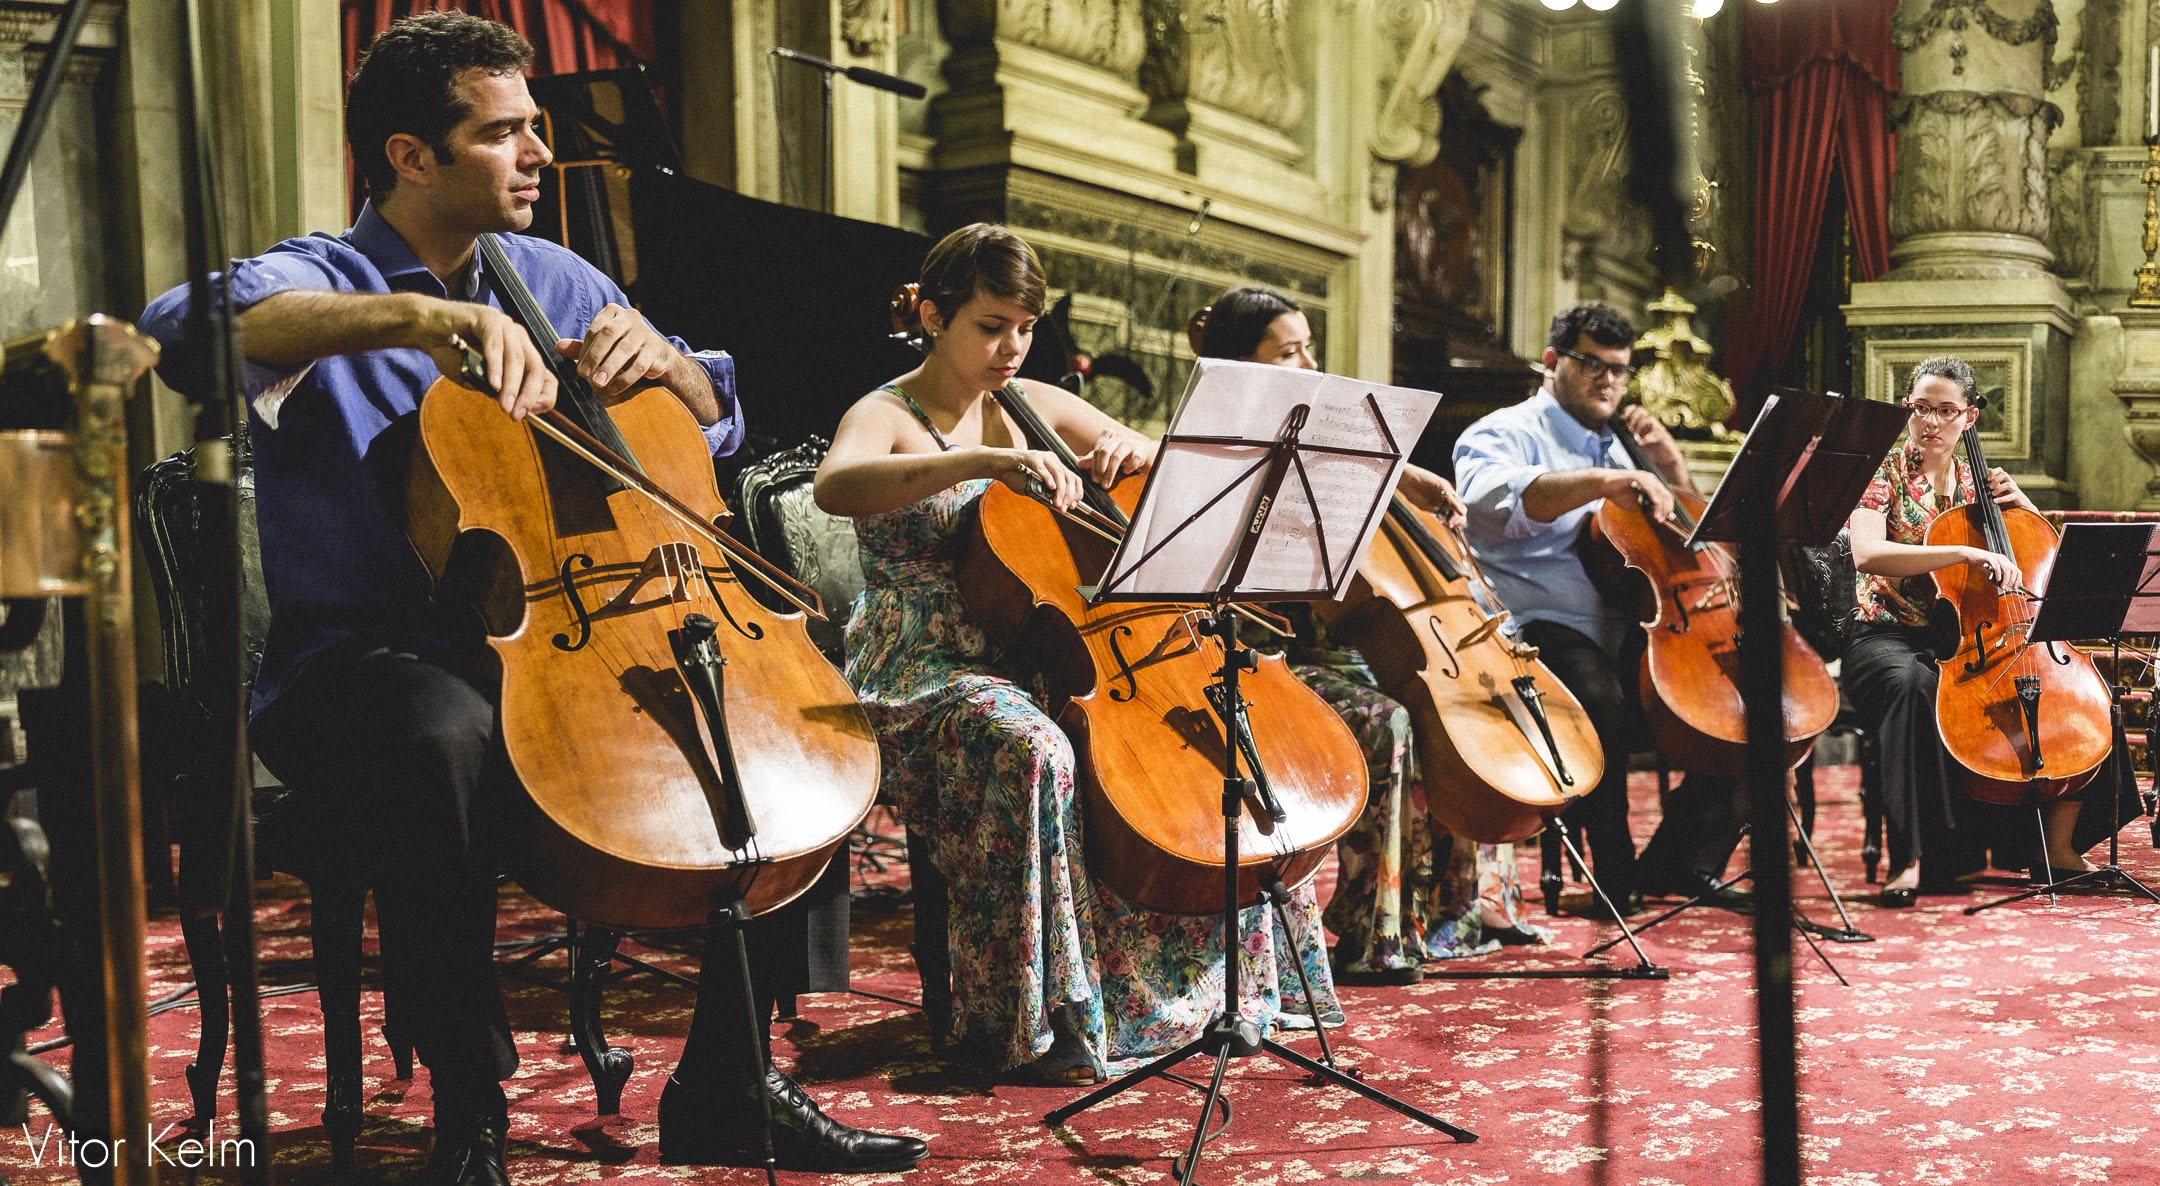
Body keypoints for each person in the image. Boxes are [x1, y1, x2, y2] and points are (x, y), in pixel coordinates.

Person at [138, 14, 925, 1183]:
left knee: (766, 714)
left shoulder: (558, 272)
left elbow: (715, 412)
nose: (537, 155)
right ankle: (470, 1109)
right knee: (439, 728)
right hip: (364, 656)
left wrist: (664, 364)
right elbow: (182, 325)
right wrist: (426, 317)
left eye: (535, 130)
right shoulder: (327, 276)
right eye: (503, 133)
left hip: (578, 625)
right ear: (410, 155)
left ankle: (728, 1084)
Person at [813, 228, 1341, 1083]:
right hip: (921, 666)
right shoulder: (888, 412)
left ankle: (1199, 998)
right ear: (933, 316)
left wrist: (1132, 451)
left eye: (1024, 327)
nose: (1010, 348)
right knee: (1034, 750)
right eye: (990, 326)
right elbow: (836, 485)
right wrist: (982, 460)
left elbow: (1158, 466)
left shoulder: (1037, 401)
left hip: (1042, 651)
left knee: (1175, 750)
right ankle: (1030, 1022)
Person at [1193, 286, 1550, 983]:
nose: (1310, 360)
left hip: (1340, 651)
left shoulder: (1322, 446)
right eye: (1290, 350)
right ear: (1248, 366)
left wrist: (1409, 479)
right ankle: (1372, 928)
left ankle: (1453, 913)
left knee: (1458, 713)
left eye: (1307, 345)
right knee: (1387, 721)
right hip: (1262, 658)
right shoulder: (1220, 455)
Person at [1452, 302, 1750, 915]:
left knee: (1751, 700)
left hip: (1639, 629)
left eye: (1620, 368)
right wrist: (1602, 481)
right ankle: (1614, 873)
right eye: (1592, 365)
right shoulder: (1501, 432)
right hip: (1541, 630)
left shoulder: (1624, 445)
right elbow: (1486, 503)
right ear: (1553, 361)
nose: (1609, 380)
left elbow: (1685, 541)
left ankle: (1679, 859)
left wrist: (1668, 468)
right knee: (1597, 693)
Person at [1843, 355, 2096, 906]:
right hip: (1886, 632)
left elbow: (2035, 562)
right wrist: (1959, 550)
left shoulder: (1979, 482)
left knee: (2076, 693)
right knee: (1912, 687)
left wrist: (2024, 508)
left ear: (1970, 417)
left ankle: (2055, 845)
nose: (1930, 422)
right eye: (1920, 408)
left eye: (1945, 411)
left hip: (1969, 637)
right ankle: (1912, 857)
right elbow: (1867, 553)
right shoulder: (1880, 471)